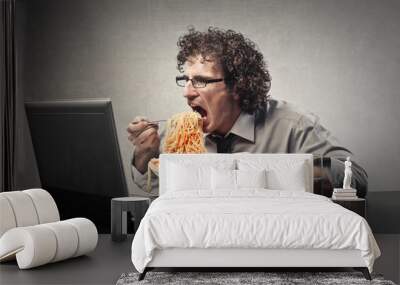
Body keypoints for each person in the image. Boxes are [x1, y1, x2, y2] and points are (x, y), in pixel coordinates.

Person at [127, 26, 367, 197]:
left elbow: (356, 180)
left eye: (200, 81)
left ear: (237, 86)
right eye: (186, 80)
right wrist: (143, 156)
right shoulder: (174, 133)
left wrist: (287, 170)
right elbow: (155, 186)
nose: (187, 93)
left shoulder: (293, 126)